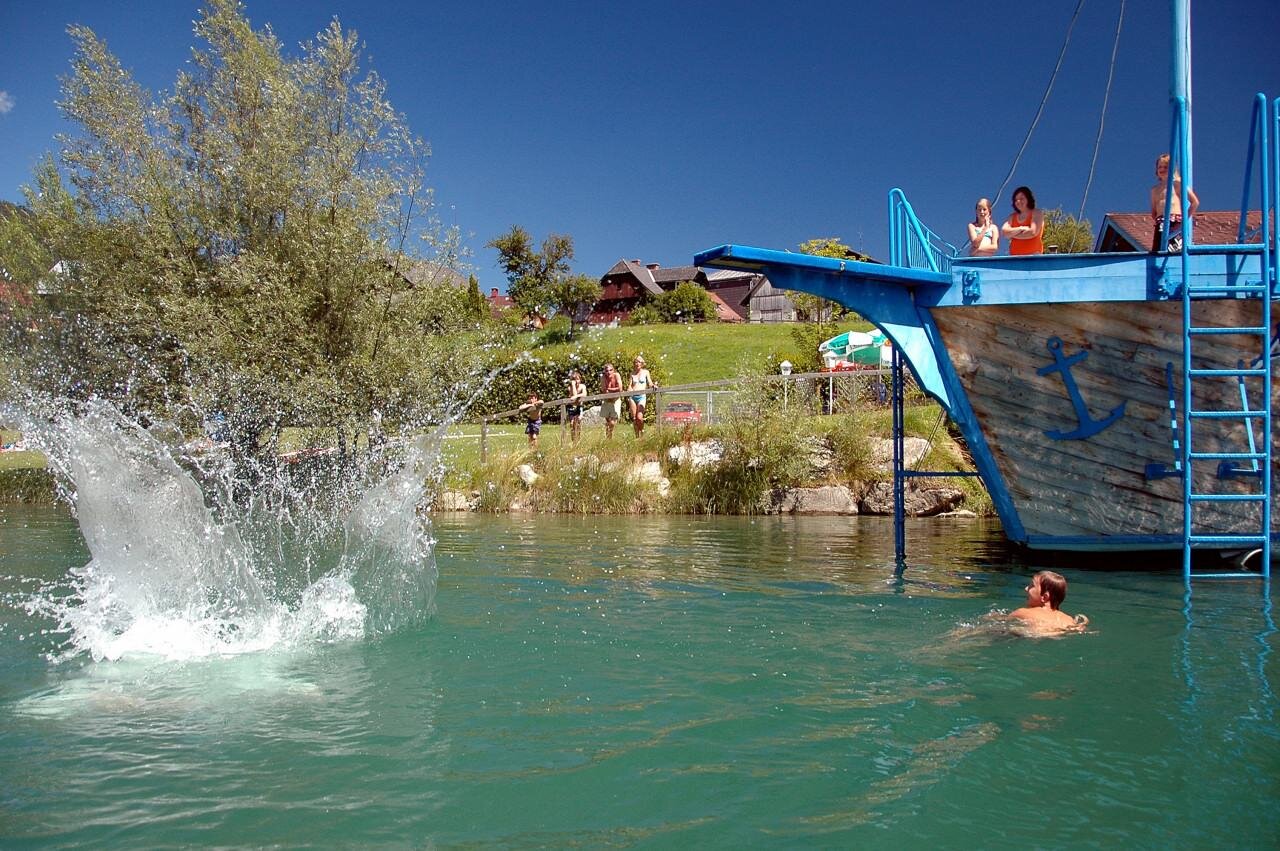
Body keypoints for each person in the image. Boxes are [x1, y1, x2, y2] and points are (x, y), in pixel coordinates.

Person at [1009, 570, 1088, 634]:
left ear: (1044, 597)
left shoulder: (1022, 612)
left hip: (1034, 634)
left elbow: (1004, 620)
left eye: (1032, 586)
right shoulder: (1068, 619)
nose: (1026, 588)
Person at [1150, 153, 1199, 252]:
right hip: (1160, 223)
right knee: (1158, 250)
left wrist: (1184, 219)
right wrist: (1157, 218)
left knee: (1174, 251)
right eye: (1160, 167)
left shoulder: (1177, 184)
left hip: (1175, 222)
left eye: (1165, 167)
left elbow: (1195, 202)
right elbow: (1154, 210)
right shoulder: (1154, 190)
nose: (1162, 169)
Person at [1000, 186, 1044, 255]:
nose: (1018, 201)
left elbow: (1033, 232)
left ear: (1028, 198)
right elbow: (1004, 232)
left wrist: (1012, 234)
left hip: (1033, 256)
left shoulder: (1036, 213)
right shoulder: (1012, 217)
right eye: (1016, 200)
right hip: (1014, 257)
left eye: (1021, 198)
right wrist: (1021, 228)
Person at [627, 355, 654, 438]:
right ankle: (637, 437)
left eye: (639, 362)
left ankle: (642, 432)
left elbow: (649, 382)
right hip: (632, 397)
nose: (637, 363)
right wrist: (629, 389)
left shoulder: (646, 372)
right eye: (636, 362)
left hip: (642, 396)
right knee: (634, 418)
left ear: (642, 363)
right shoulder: (632, 374)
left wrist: (653, 386)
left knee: (639, 417)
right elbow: (630, 385)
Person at [601, 363, 623, 439]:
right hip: (606, 401)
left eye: (611, 370)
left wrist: (609, 389)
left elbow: (620, 388)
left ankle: (609, 437)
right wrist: (613, 390)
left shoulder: (617, 375)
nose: (609, 372)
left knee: (612, 422)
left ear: (613, 370)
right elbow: (604, 390)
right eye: (607, 371)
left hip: (615, 400)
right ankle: (609, 439)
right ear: (605, 371)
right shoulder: (603, 377)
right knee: (608, 422)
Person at [566, 370, 587, 443]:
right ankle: (573, 441)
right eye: (574, 380)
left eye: (577, 379)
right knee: (572, 424)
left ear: (580, 379)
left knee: (578, 422)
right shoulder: (570, 388)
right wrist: (573, 385)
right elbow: (573, 395)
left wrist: (577, 396)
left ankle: (578, 439)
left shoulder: (582, 386)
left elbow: (584, 394)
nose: (576, 381)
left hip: (579, 406)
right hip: (572, 407)